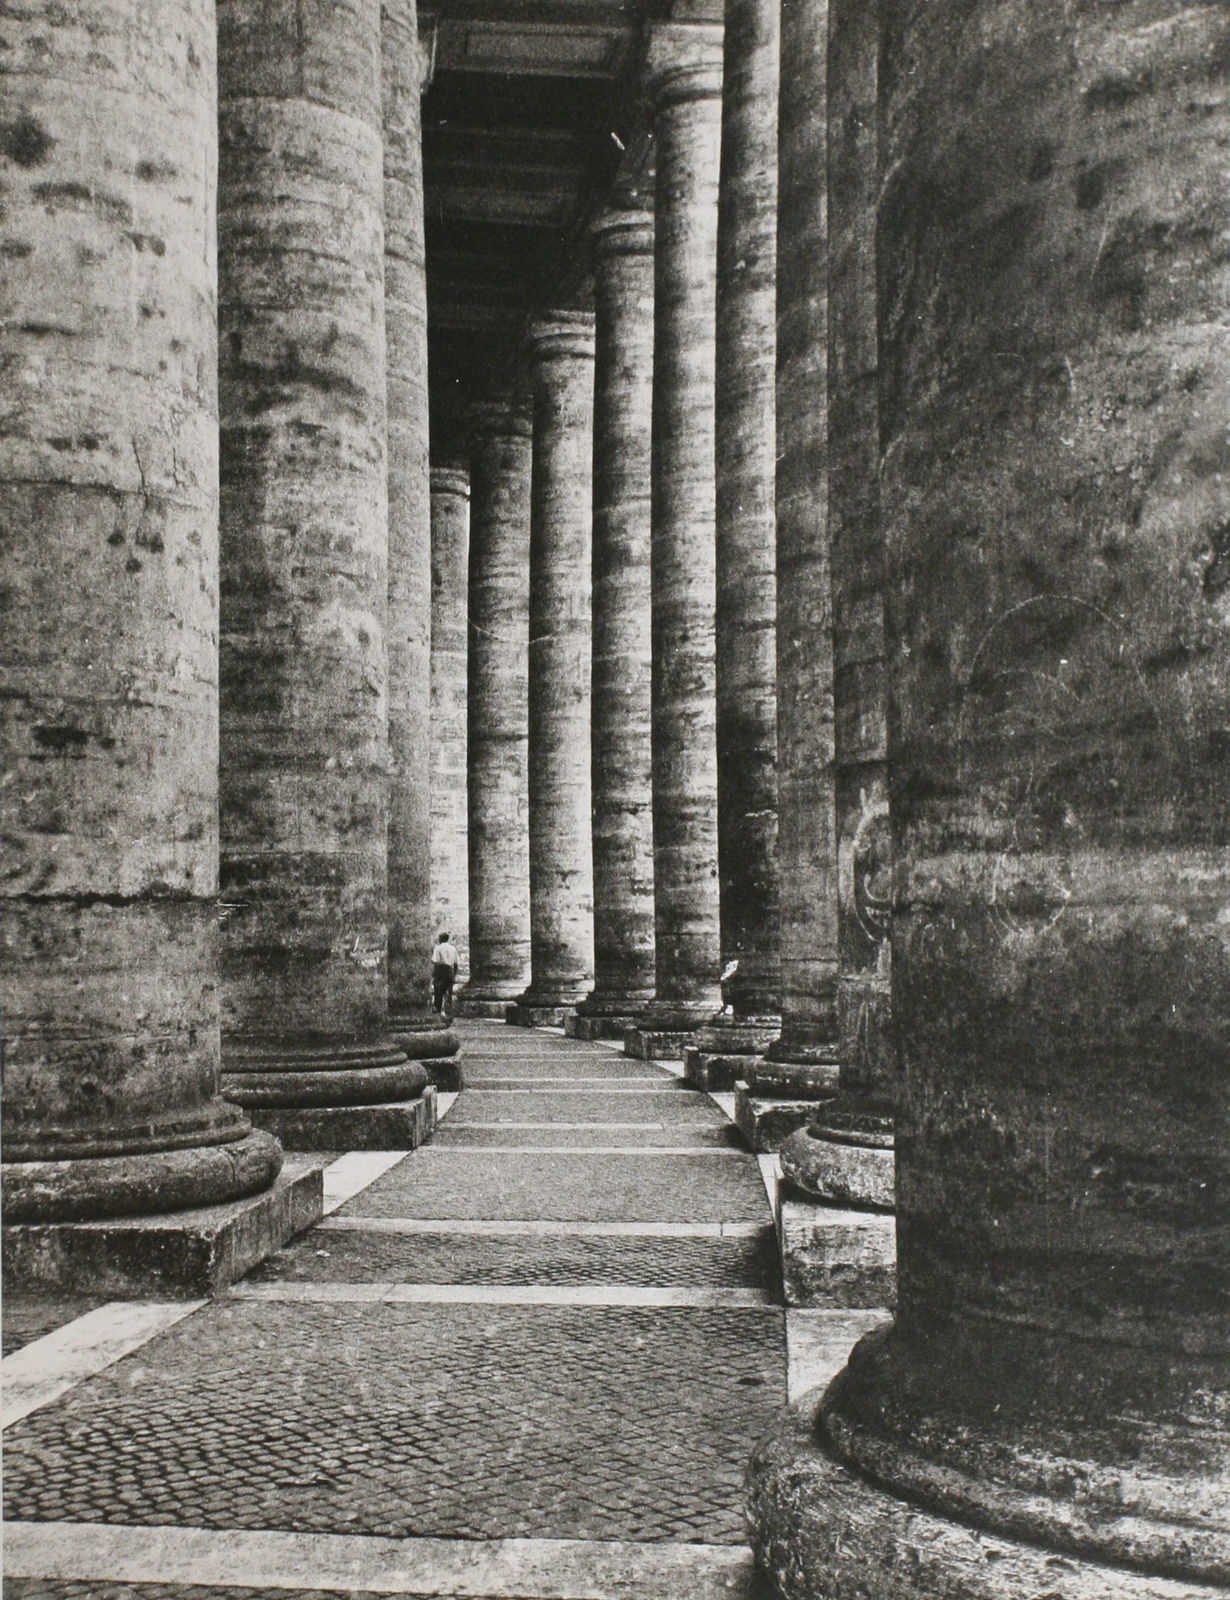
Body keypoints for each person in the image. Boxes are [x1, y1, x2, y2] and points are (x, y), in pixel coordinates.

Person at [431, 930, 459, 1017]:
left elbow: (435, 961)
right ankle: (448, 1009)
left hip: (441, 969)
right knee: (448, 990)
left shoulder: (437, 948)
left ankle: (438, 1008)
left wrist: (434, 974)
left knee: (438, 990)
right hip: (450, 970)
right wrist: (454, 974)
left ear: (441, 939)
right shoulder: (453, 948)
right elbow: (456, 962)